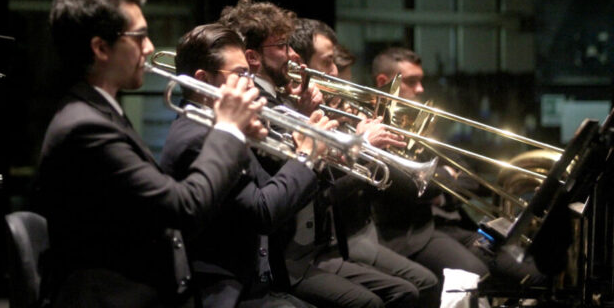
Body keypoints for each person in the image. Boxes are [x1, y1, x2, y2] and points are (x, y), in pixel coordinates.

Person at [35, 0, 266, 307]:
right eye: (139, 37)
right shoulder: (85, 127)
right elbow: (184, 207)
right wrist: (228, 130)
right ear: (101, 48)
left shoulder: (100, 113)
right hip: (114, 296)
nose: (149, 47)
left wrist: (236, 135)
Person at [160, 23, 332, 308]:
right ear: (203, 80)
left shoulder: (221, 129)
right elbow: (263, 212)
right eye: (240, 74)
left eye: (250, 74)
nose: (251, 84)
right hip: (224, 293)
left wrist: (310, 156)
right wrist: (305, 158)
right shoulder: (199, 136)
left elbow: (269, 190)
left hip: (254, 283)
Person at [290, 20, 438, 308]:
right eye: (327, 62)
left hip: (352, 237)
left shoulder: (337, 114)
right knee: (411, 289)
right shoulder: (304, 117)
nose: (334, 73)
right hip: (332, 244)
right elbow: (322, 193)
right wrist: (362, 148)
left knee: (420, 285)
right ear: (299, 64)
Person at [373, 48, 546, 288]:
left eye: (421, 81)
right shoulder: (374, 129)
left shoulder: (421, 122)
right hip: (412, 234)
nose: (421, 89)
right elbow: (416, 187)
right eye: (412, 82)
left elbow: (468, 177)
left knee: (533, 273)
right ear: (383, 82)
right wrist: (443, 180)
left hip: (453, 224)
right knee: (477, 276)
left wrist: (442, 190)